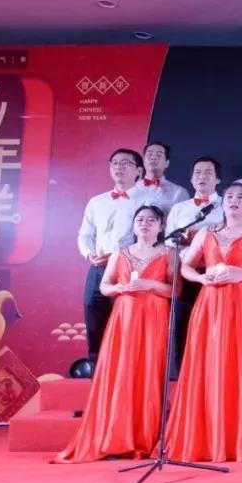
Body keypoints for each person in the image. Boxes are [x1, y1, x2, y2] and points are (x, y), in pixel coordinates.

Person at [164, 183, 242, 462]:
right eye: (229, 196)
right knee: (208, 364)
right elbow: (186, 266)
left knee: (241, 366)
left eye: (241, 197)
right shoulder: (206, 232)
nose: (234, 201)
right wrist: (201, 278)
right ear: (222, 203)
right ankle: (204, 437)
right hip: (210, 303)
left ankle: (236, 440)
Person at [55, 206, 173, 463]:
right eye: (140, 219)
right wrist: (120, 287)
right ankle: (116, 435)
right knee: (122, 372)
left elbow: (175, 290)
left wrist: (150, 284)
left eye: (151, 220)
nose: (145, 224)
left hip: (154, 317)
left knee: (148, 372)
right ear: (133, 225)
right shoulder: (120, 253)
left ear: (161, 226)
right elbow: (104, 286)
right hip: (125, 318)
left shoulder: (169, 253)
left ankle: (146, 436)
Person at [77, 148, 144, 367]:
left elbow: (148, 238)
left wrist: (117, 256)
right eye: (115, 163)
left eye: (125, 163)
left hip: (130, 268)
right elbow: (85, 234)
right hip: (98, 267)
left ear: (139, 171)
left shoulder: (146, 201)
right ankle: (97, 370)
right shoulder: (97, 201)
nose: (119, 167)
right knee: (93, 313)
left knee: (126, 320)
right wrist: (89, 253)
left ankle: (126, 370)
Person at [164, 156, 224, 375]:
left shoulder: (227, 205)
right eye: (197, 173)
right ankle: (180, 378)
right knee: (182, 324)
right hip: (185, 272)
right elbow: (168, 242)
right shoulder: (179, 208)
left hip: (217, 274)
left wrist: (201, 236)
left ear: (218, 179)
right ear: (190, 179)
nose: (202, 177)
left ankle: (212, 374)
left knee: (214, 327)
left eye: (208, 172)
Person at [134, 141, 189, 212]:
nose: (153, 157)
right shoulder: (131, 188)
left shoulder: (179, 192)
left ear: (167, 163)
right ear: (143, 161)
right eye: (150, 154)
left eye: (159, 155)